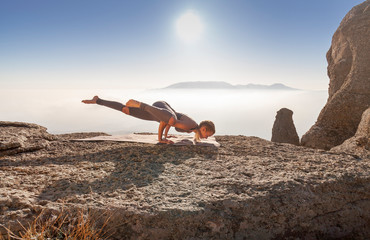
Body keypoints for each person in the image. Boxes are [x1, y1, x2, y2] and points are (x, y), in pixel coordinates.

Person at [82, 96, 215, 144]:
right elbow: (169, 121)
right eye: (207, 135)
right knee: (172, 120)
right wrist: (161, 139)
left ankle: (98, 100)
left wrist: (165, 136)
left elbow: (166, 121)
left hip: (159, 114)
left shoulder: (192, 129)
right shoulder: (191, 125)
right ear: (203, 129)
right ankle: (140, 104)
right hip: (161, 108)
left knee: (126, 110)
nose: (206, 137)